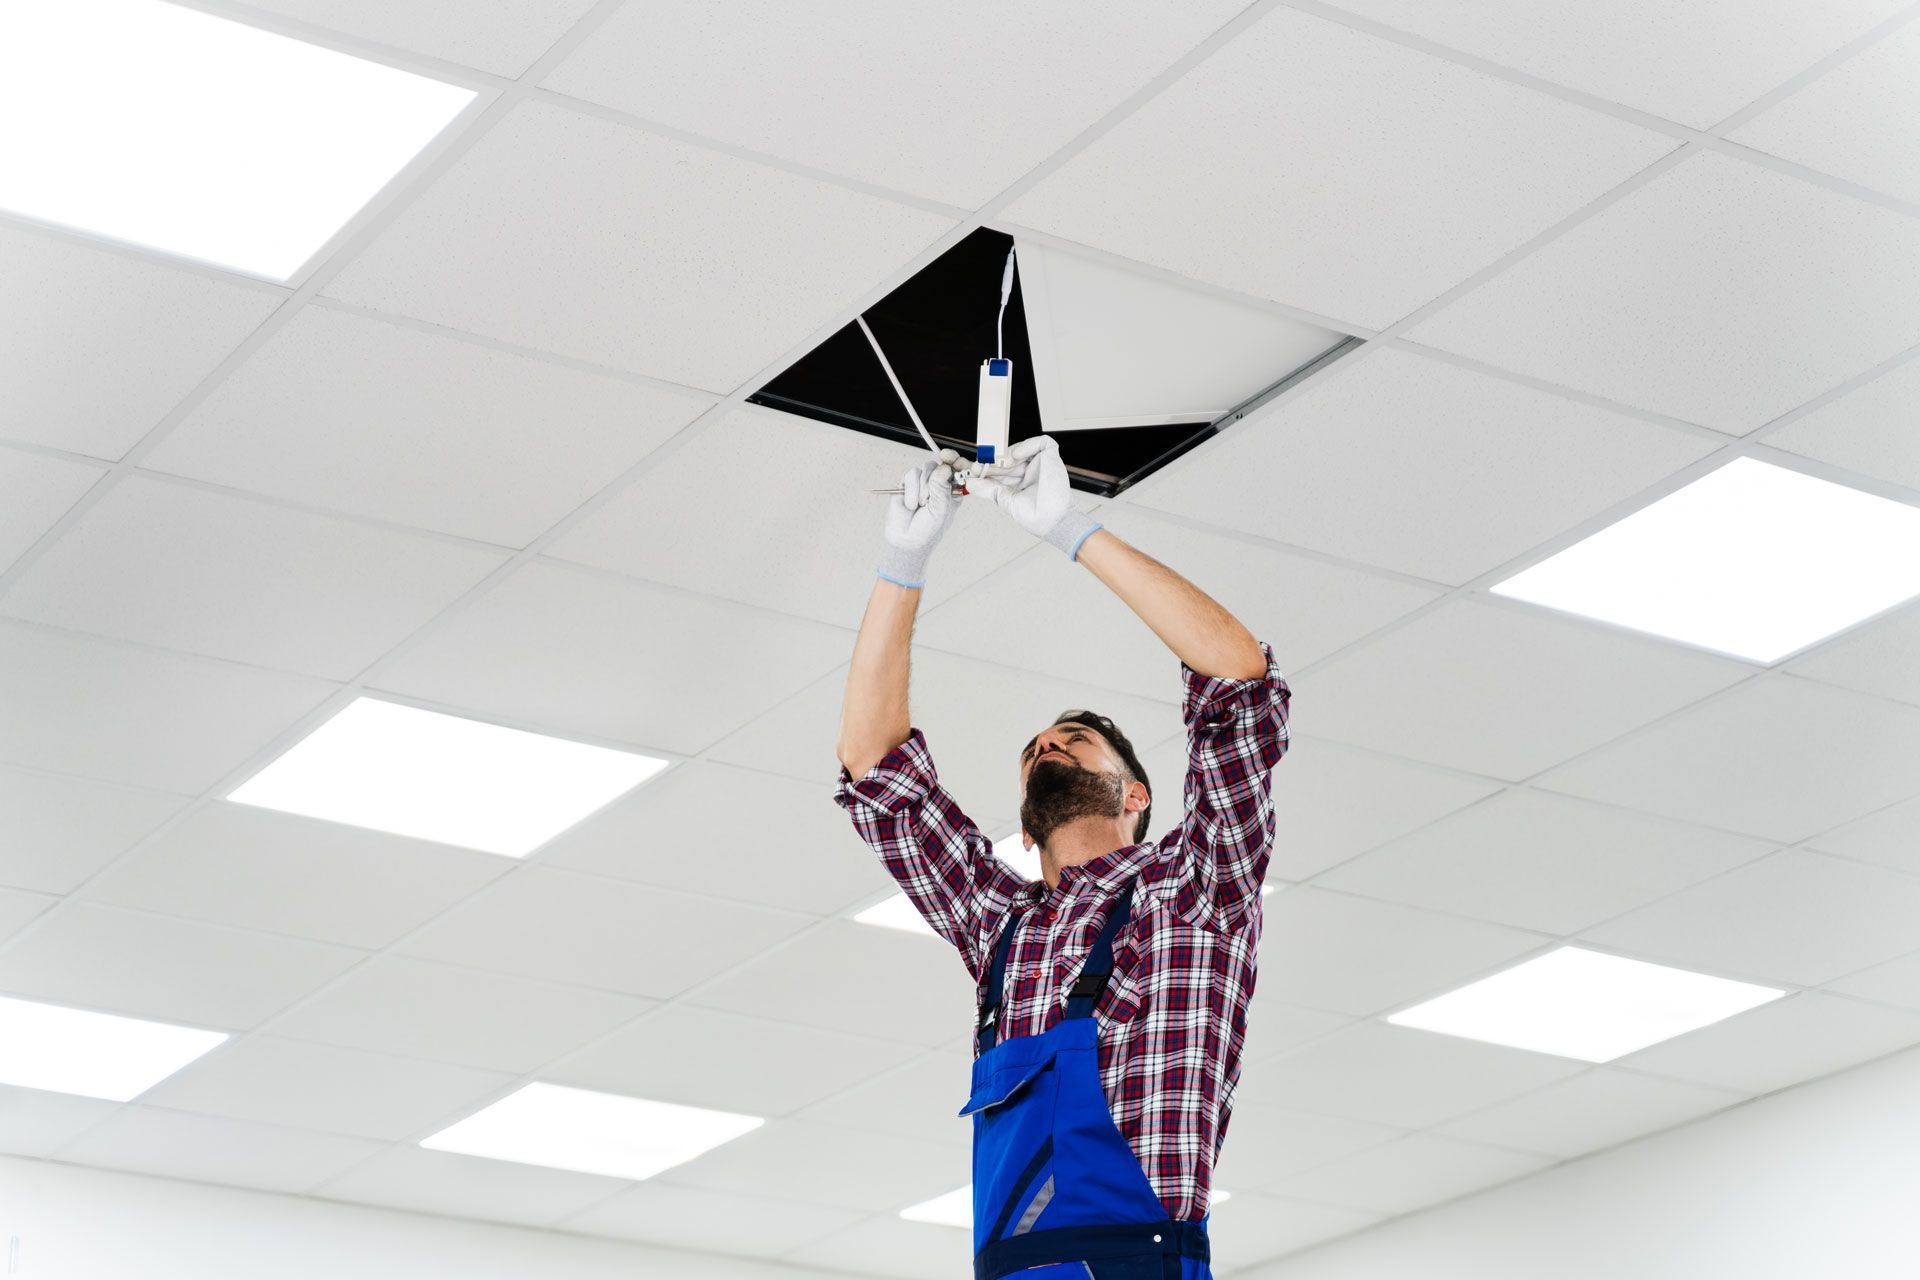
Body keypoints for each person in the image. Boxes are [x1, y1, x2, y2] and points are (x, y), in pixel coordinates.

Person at [833, 435, 1292, 1280]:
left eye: (1077, 740)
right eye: (1038, 745)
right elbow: (876, 771)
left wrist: (1071, 531)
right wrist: (901, 566)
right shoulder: (1001, 927)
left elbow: (1239, 681)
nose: (1049, 744)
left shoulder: (1196, 892)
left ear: (1137, 795)